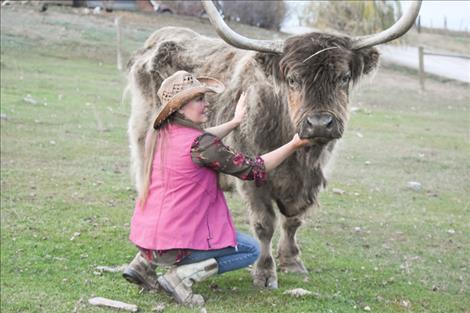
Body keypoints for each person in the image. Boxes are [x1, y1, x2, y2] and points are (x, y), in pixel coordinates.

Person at [123, 70, 310, 306]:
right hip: (175, 245)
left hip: (149, 238)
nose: (206, 104)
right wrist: (294, 144)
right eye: (199, 99)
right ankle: (180, 278)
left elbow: (201, 138)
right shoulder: (202, 145)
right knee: (249, 250)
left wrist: (234, 121)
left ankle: (143, 264)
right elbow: (254, 168)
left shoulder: (160, 132)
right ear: (180, 108)